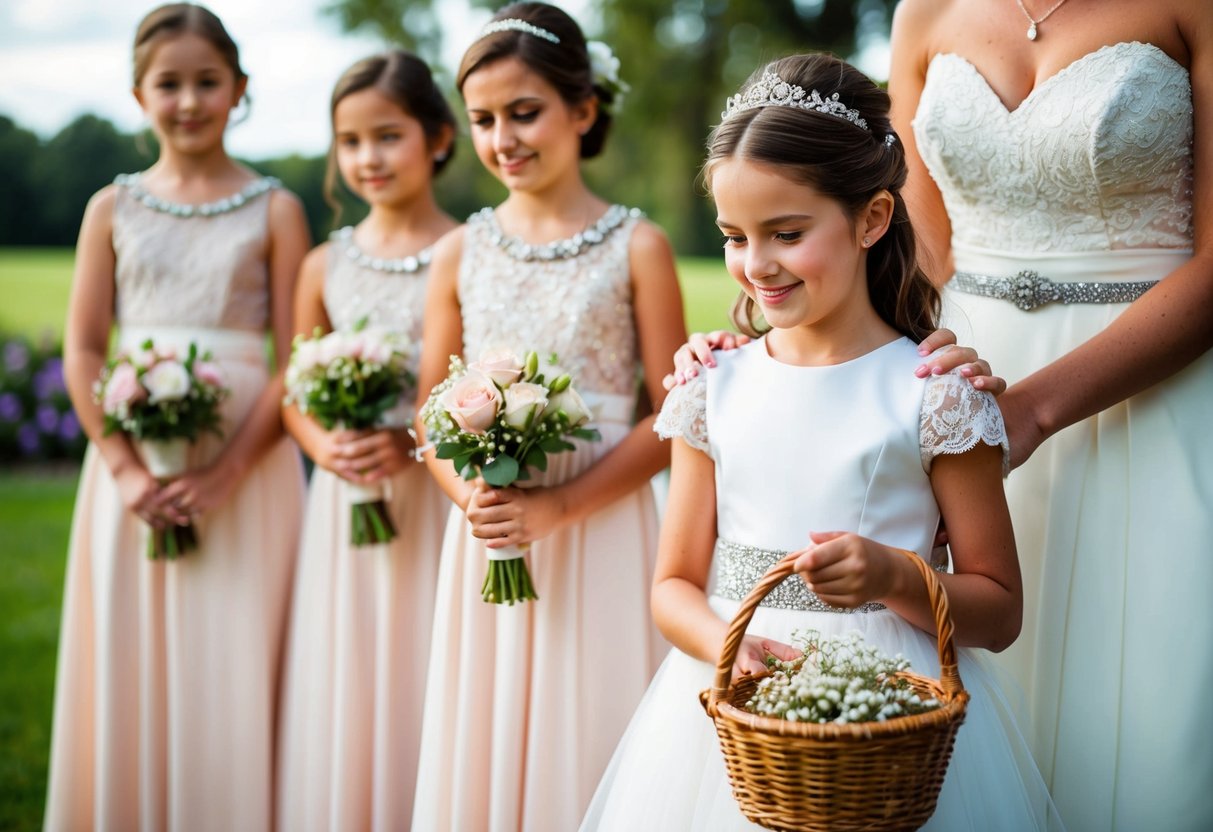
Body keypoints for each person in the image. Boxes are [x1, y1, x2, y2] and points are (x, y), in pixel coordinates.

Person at [581, 53, 1061, 831]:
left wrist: (893, 576)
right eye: (734, 237)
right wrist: (725, 650)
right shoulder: (710, 386)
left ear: (870, 219)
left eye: (786, 233)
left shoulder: (935, 395)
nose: (755, 265)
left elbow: (998, 612)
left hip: (891, 707)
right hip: (731, 708)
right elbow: (671, 586)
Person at [887, 2, 1213, 829]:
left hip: (1152, 389)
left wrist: (1030, 410)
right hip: (961, 384)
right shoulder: (921, 12)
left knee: (1147, 704)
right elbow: (904, 247)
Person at [409, 3, 687, 829]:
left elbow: (672, 416)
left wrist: (560, 504)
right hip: (490, 529)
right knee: (486, 729)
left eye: (523, 112)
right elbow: (428, 411)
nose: (503, 138)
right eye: (484, 119)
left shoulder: (637, 246)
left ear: (584, 109)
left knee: (593, 712)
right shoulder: (459, 251)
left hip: (600, 524)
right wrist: (474, 501)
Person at [44, 4, 310, 830]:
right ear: (138, 92)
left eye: (207, 82)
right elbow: (86, 349)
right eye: (170, 83)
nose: (189, 100)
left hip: (249, 472)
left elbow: (295, 356)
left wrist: (230, 470)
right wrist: (124, 467)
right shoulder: (109, 208)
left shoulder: (274, 208)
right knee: (133, 656)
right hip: (133, 478)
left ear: (238, 90)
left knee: (234, 649)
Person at [274, 51, 457, 832]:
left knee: (427, 664)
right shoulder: (324, 262)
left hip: (433, 499)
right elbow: (291, 387)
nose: (367, 158)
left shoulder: (471, 250)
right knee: (347, 670)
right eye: (349, 142)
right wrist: (323, 444)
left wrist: (414, 441)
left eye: (387, 136)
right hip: (345, 503)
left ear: (437, 139)